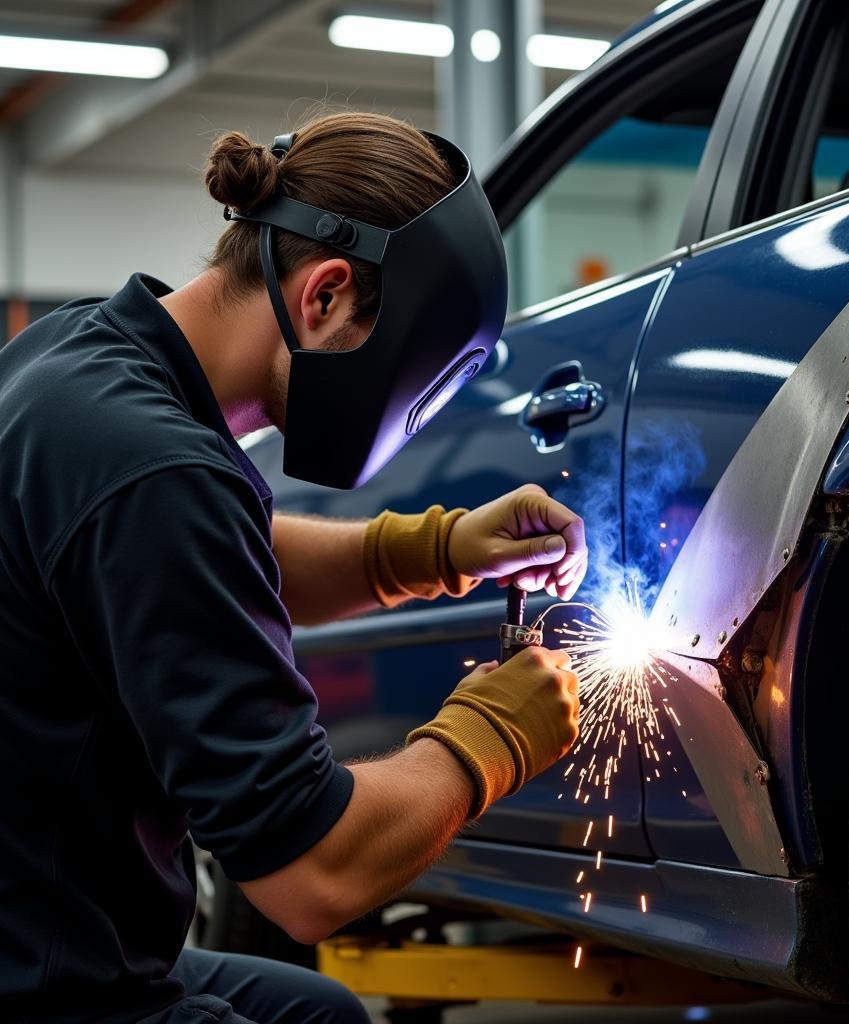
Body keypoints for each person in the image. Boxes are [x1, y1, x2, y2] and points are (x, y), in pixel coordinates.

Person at [0, 111, 584, 1024]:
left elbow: (214, 558)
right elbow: (312, 873)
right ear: (325, 295)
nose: (408, 416)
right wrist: (494, 737)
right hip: (48, 986)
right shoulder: (156, 468)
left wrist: (436, 550)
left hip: (55, 932)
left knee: (318, 1010)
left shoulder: (88, 365)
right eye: (415, 384)